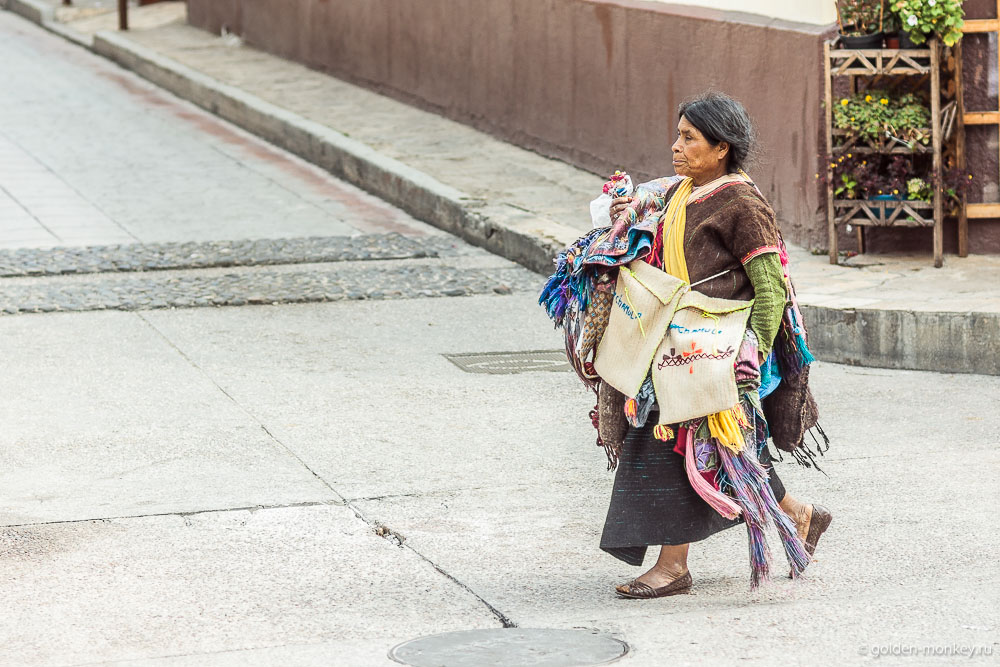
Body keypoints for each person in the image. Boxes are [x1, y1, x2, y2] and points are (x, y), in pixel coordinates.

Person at [596, 92, 832, 598]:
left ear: (721, 148)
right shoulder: (684, 190)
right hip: (678, 344)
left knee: (681, 446)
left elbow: (770, 287)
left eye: (688, 138)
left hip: (719, 351)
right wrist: (629, 206)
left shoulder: (743, 204)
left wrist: (752, 348)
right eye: (678, 135)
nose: (675, 146)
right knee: (729, 453)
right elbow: (651, 200)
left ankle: (673, 567)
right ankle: (800, 516)